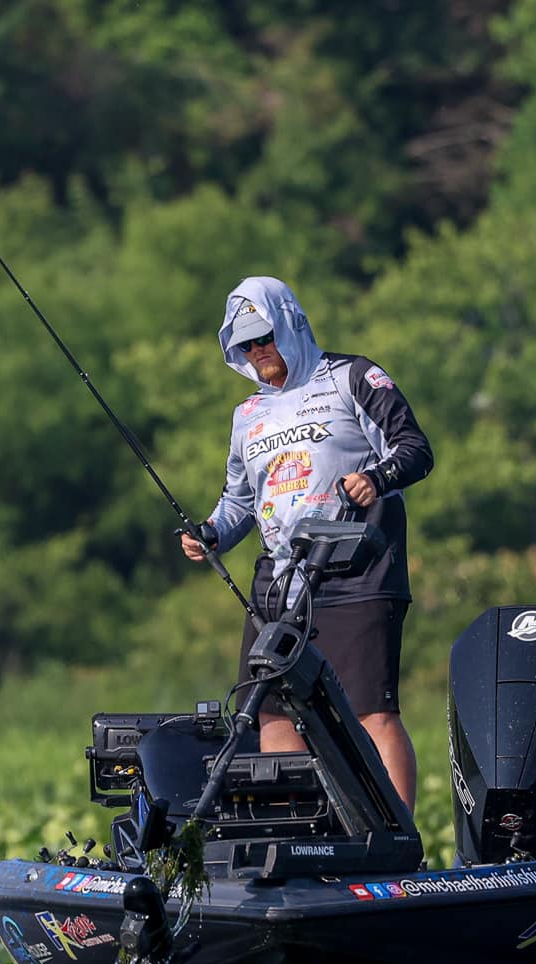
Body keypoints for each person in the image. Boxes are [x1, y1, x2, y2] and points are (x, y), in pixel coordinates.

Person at [180, 275, 434, 812]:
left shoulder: (352, 377)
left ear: (289, 324)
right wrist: (210, 533)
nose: (257, 352)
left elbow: (416, 448)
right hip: (280, 583)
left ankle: (400, 841)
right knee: (269, 712)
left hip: (359, 571)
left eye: (263, 337)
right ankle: (299, 836)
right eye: (244, 344)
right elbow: (237, 503)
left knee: (371, 712)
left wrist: (379, 479)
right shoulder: (246, 416)